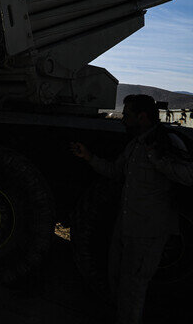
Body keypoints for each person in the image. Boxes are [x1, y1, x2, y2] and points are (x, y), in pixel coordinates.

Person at [71, 94, 193, 324]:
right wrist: (89, 157)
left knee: (133, 289)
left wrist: (159, 160)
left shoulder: (166, 143)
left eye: (127, 115)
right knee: (117, 281)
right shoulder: (134, 145)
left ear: (142, 117)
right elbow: (115, 173)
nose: (122, 119)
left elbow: (188, 176)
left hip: (148, 233)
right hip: (126, 228)